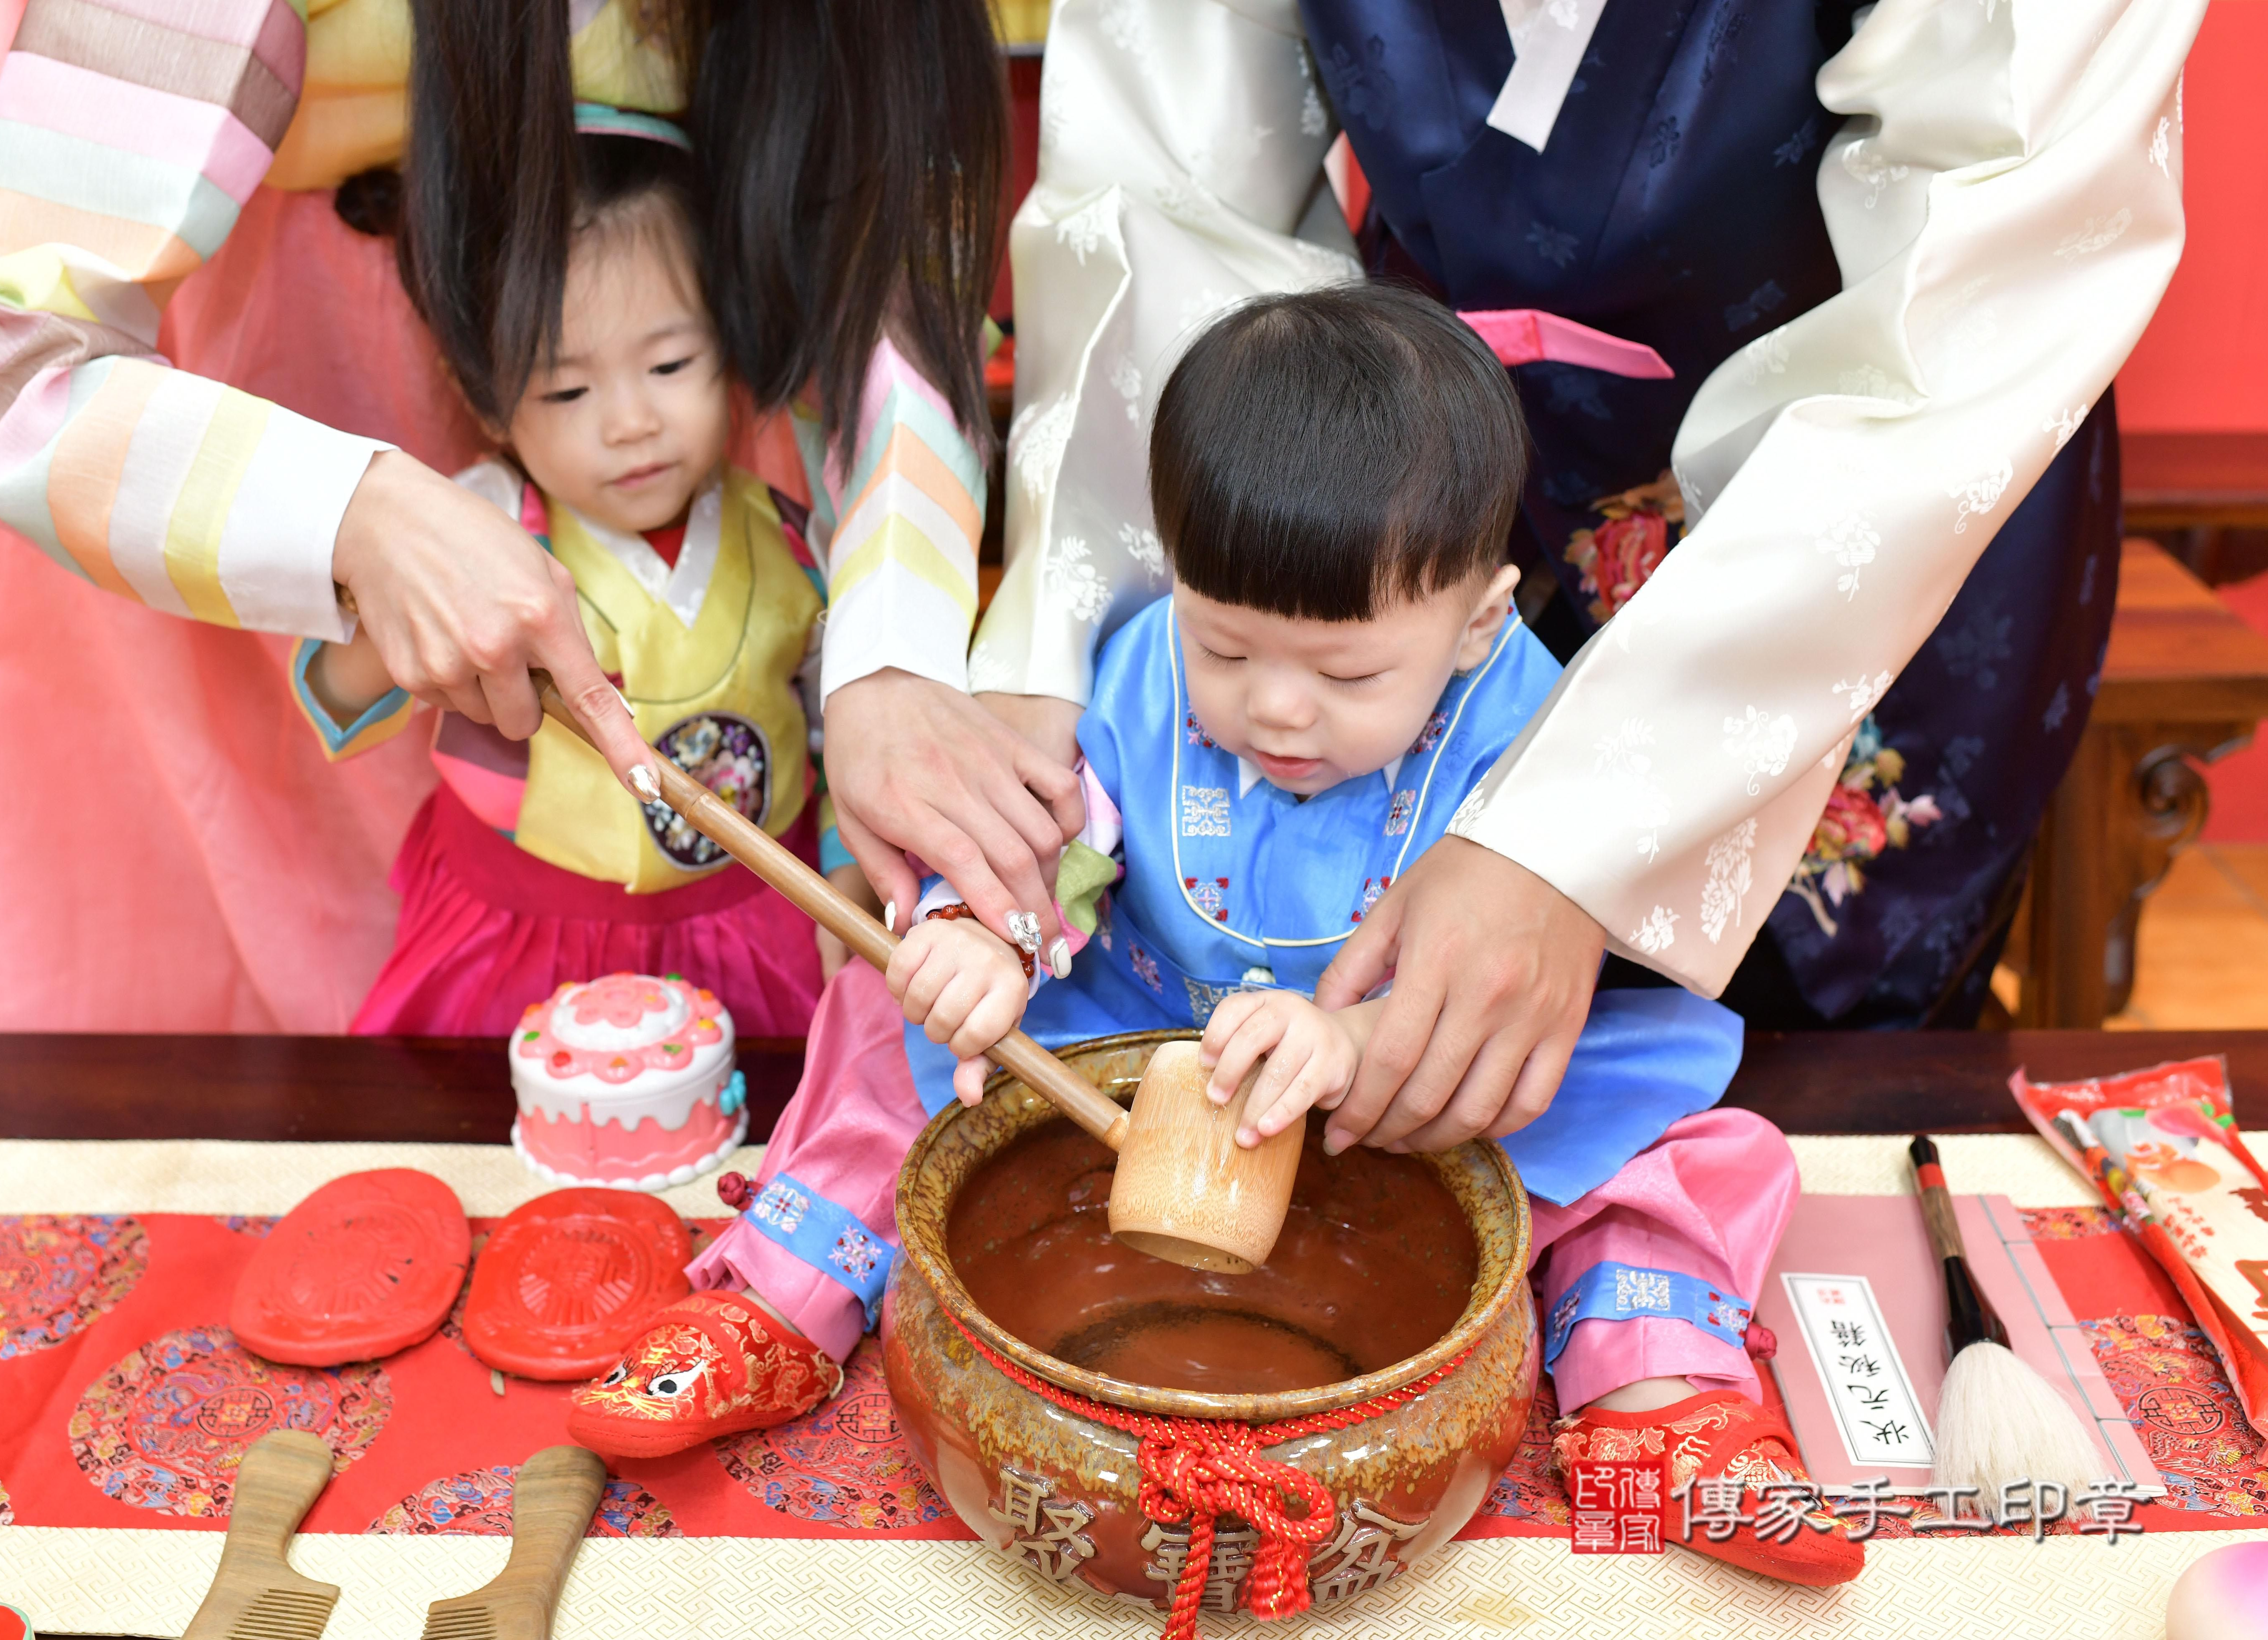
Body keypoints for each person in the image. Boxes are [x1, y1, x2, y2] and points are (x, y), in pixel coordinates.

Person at [569, 288, 1862, 1588]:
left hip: (1405, 1078)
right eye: (1226, 648)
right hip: (1136, 1027)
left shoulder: (1530, 721)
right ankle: (774, 1302)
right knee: (878, 1035)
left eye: (1348, 676)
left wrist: (1353, 1040)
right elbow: (1060, 845)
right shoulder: (1137, 674)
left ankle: (1654, 1395)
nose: (1278, 710)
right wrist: (986, 941)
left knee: (1657, 1153)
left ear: (1476, 621)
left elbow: (1529, 949)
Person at [970, 0, 2204, 1151]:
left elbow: (1991, 266)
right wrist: (1072, 635)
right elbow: (1167, 199)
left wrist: (1573, 837)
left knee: (1803, 1101)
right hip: (1417, 510)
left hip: (1864, 524)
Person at [0, 0, 1029, 1031]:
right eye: (584, 398)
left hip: (633, 261)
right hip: (215, 390)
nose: (627, 426)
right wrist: (353, 512)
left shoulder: (763, 517)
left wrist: (890, 651)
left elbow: (900, 297)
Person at [292, 108, 869, 1035]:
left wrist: (843, 864)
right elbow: (327, 691)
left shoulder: (800, 537)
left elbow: (840, 722)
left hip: (759, 920)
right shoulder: (473, 521)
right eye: (569, 389)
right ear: (484, 395)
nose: (630, 422)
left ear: (732, 344)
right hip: (524, 935)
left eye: (671, 363)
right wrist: (390, 620)